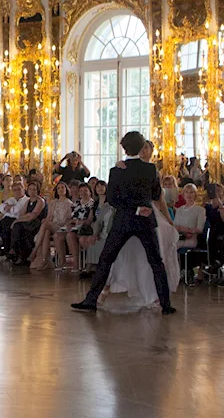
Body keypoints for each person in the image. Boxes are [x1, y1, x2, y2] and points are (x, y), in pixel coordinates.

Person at [73, 133, 176, 315]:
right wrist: (139, 207)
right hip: (145, 219)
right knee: (156, 262)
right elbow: (154, 195)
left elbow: (112, 199)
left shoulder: (117, 170)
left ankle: (91, 300)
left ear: (123, 148)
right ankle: (166, 305)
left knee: (106, 259)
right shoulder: (150, 169)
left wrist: (132, 208)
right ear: (141, 147)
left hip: (124, 220)